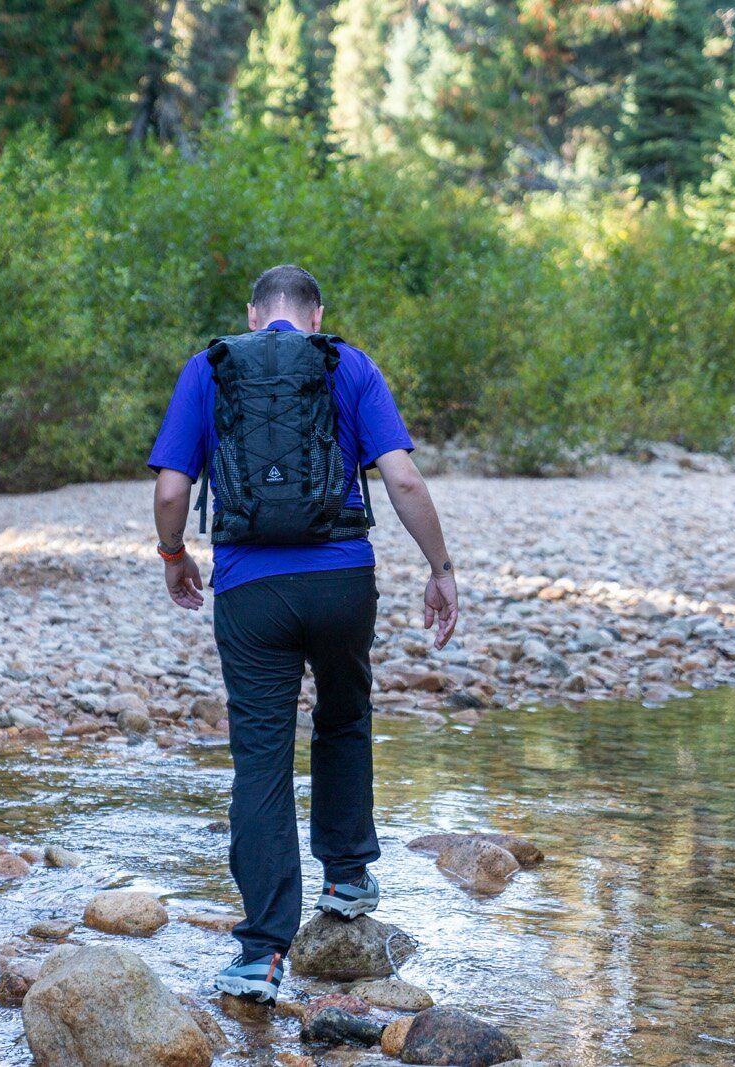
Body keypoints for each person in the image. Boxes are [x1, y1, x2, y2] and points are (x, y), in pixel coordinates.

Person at [148, 264, 459, 1003]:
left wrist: (172, 555)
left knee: (261, 755)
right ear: (315, 315)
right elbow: (404, 481)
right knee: (344, 716)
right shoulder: (347, 362)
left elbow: (170, 489)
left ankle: (259, 954)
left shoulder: (210, 365)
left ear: (255, 315)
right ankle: (347, 877)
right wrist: (440, 567)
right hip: (341, 579)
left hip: (253, 588)